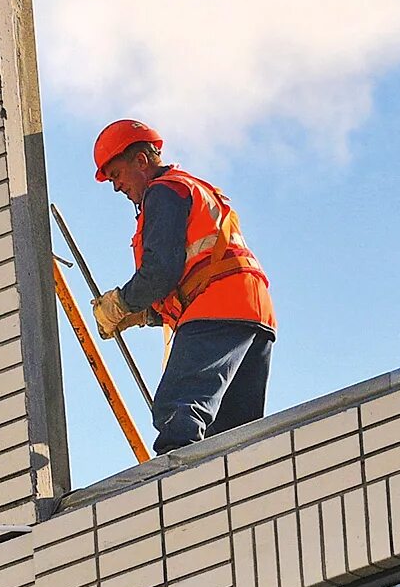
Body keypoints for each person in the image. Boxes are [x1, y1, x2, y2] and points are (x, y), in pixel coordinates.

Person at [86, 119, 275, 453]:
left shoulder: (164, 191)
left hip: (220, 305)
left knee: (178, 408)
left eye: (116, 174)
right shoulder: (189, 188)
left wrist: (121, 303)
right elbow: (191, 272)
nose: (116, 187)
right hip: (250, 311)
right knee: (230, 432)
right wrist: (146, 315)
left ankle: (176, 487)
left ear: (141, 161)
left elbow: (161, 272)